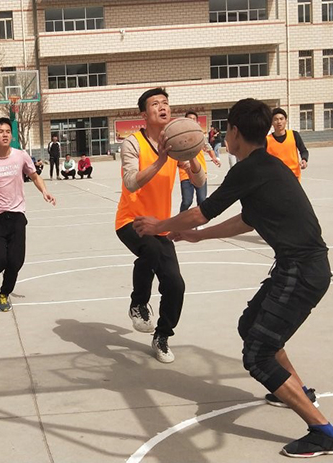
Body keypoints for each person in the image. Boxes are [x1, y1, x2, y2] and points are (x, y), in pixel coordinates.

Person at [133, 98, 333, 459]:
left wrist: (160, 225)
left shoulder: (249, 169)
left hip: (301, 271)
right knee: (251, 327)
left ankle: (325, 433)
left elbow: (200, 211)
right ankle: (298, 391)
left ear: (233, 132)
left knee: (257, 354)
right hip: (299, 267)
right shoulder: (266, 165)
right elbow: (248, 219)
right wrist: (199, 236)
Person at [115, 87, 206, 363]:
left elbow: (200, 181)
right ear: (144, 114)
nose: (162, 107)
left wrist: (191, 156)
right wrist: (160, 161)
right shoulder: (133, 143)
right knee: (151, 251)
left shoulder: (175, 142)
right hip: (131, 220)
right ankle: (138, 303)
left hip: (160, 226)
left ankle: (162, 335)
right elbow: (131, 182)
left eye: (165, 103)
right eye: (155, 104)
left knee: (175, 285)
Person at [0, 117, 56, 312]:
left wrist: (44, 191)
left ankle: (4, 294)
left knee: (16, 261)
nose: (5, 135)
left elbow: (34, 176)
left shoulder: (21, 156)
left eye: (8, 132)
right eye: (0, 131)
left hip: (17, 215)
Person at [180, 111, 220, 212]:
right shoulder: (178, 136)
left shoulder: (200, 135)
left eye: (193, 119)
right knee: (186, 201)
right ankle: (180, 219)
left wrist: (214, 158)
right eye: (189, 119)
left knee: (202, 200)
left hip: (200, 172)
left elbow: (208, 147)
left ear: (197, 122)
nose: (191, 121)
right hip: (185, 173)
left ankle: (199, 220)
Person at [267, 108, 309, 180]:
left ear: (286, 120)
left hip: (294, 175)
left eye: (281, 119)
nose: (279, 122)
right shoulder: (267, 140)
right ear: (272, 122)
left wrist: (304, 160)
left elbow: (303, 150)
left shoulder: (294, 135)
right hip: (276, 177)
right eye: (276, 119)